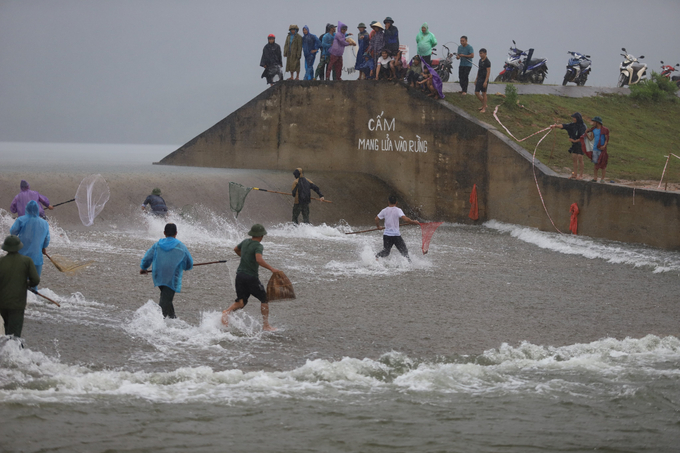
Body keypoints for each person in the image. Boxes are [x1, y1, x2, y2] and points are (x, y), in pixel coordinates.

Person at [221, 224, 279, 332]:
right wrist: (272, 269)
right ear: (261, 235)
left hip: (240, 276)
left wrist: (244, 257)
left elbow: (235, 249)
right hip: (251, 277)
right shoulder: (258, 246)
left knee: (241, 302)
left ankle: (227, 312)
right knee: (264, 298)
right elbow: (259, 260)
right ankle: (266, 325)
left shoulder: (245, 242)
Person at [140, 223, 193, 319]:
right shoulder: (181, 247)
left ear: (164, 233)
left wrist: (144, 268)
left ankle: (173, 319)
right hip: (172, 278)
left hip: (159, 275)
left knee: (166, 298)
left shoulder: (157, 245)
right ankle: (159, 323)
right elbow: (189, 264)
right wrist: (184, 266)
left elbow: (148, 257)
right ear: (176, 233)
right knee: (165, 301)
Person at [0, 235, 40, 338]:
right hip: (17, 304)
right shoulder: (27, 261)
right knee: (15, 335)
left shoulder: (1, 261)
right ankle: (15, 353)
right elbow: (35, 280)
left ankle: (5, 352)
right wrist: (26, 284)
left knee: (7, 330)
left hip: (2, 304)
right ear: (19, 247)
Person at [10, 200, 50, 289]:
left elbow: (12, 233)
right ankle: (34, 301)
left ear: (26, 209)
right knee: (34, 284)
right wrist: (43, 247)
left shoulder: (21, 220)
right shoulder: (44, 223)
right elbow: (47, 239)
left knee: (19, 284)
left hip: (21, 257)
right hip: (37, 258)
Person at [375, 195, 419, 261]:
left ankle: (375, 257)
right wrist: (413, 221)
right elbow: (405, 219)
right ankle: (409, 266)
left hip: (387, 235)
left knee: (386, 252)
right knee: (404, 252)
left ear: (388, 202)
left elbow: (376, 219)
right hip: (396, 236)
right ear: (396, 202)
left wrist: (378, 227)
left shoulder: (384, 210)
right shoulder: (398, 210)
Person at [550, 112, 587, 179]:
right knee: (574, 157)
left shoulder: (583, 126)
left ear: (578, 118)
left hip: (582, 144)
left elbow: (583, 137)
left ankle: (581, 175)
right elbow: (564, 126)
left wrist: (574, 140)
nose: (573, 119)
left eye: (574, 118)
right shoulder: (573, 125)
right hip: (575, 144)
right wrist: (555, 126)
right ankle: (575, 174)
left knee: (580, 158)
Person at [585, 116, 610, 183]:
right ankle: (595, 178)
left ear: (597, 122)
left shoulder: (605, 130)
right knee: (595, 164)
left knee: (603, 164)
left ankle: (602, 178)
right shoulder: (593, 130)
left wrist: (604, 146)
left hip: (602, 149)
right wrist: (587, 133)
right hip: (595, 149)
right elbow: (591, 138)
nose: (593, 123)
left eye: (594, 122)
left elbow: (606, 139)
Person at [474, 48, 491, 113]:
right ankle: (484, 104)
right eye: (480, 53)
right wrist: (476, 78)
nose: (480, 55)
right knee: (476, 92)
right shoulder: (480, 61)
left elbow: (488, 72)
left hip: (484, 79)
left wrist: (485, 81)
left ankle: (484, 108)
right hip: (479, 78)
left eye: (481, 53)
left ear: (485, 53)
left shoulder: (487, 62)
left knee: (484, 93)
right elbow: (479, 70)